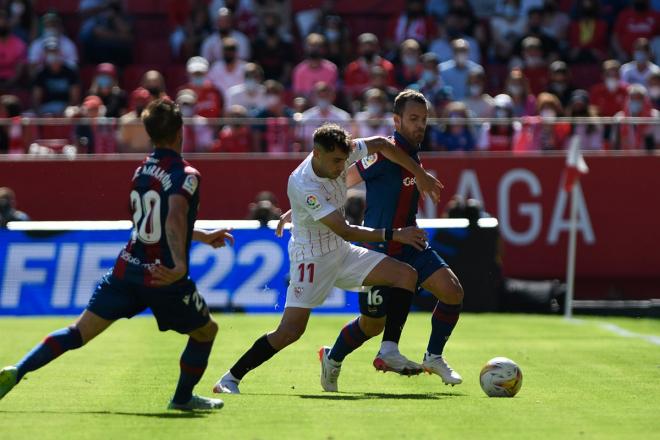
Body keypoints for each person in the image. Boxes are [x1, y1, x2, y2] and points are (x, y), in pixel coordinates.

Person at [0, 98, 234, 410]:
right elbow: (174, 214)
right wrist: (178, 264)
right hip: (164, 275)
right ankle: (181, 399)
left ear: (150, 134)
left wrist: (202, 236)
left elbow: (151, 219)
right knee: (206, 331)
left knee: (77, 332)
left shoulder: (141, 171)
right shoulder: (187, 173)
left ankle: (19, 370)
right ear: (180, 132)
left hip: (127, 269)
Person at [213, 123, 443, 394]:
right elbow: (345, 229)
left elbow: (381, 143)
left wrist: (420, 174)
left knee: (405, 274)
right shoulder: (303, 183)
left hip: (340, 251)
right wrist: (396, 234)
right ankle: (229, 378)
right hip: (311, 260)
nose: (341, 167)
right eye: (335, 161)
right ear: (317, 153)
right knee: (290, 332)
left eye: (344, 160)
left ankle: (389, 350)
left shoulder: (344, 152)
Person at [321, 90, 464, 391]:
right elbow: (343, 179)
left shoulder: (413, 153)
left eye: (424, 120)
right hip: (378, 251)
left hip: (410, 245)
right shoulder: (381, 153)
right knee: (371, 325)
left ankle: (434, 356)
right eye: (413, 119)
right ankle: (332, 359)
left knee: (452, 291)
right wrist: (308, 204)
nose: (420, 125)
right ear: (396, 121)